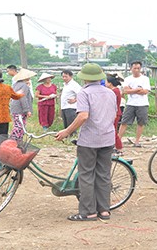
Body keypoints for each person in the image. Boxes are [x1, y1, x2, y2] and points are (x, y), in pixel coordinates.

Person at [56, 63, 117, 221]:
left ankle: (88, 212)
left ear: (85, 78)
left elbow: (83, 116)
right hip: (108, 138)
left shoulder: (84, 93)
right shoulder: (110, 93)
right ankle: (104, 211)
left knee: (87, 175)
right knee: (103, 175)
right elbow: (114, 114)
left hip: (90, 140)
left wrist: (67, 131)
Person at [117, 61, 150, 147]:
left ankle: (137, 141)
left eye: (138, 68)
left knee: (141, 123)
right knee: (124, 122)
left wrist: (132, 90)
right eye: (134, 68)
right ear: (131, 69)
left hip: (142, 104)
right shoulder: (127, 79)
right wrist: (137, 89)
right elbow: (125, 91)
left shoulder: (145, 79)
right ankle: (118, 140)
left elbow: (145, 91)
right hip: (130, 103)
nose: (136, 70)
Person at [9, 68, 36, 141]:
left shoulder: (16, 84)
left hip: (14, 108)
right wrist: (27, 110)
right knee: (20, 126)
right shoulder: (24, 86)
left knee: (18, 125)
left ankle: (16, 141)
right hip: (20, 109)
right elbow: (23, 98)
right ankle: (13, 141)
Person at [105, 73, 124, 156]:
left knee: (113, 131)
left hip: (114, 113)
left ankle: (119, 148)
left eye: (106, 81)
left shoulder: (115, 91)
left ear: (109, 83)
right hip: (113, 113)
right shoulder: (114, 90)